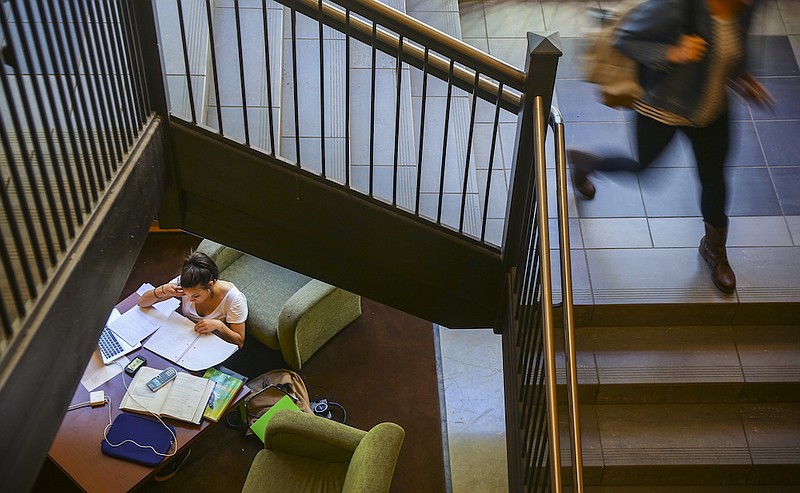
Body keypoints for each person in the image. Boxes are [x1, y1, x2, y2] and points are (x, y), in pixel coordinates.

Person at [569, 0, 772, 294]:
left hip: (711, 111)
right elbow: (625, 39)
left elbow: (735, 49)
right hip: (665, 107)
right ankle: (587, 163)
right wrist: (671, 52)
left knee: (714, 179)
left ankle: (714, 250)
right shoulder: (680, 4)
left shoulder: (746, 6)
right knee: (644, 169)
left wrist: (743, 77)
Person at [138, 251, 247, 348]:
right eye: (185, 294)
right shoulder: (182, 283)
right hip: (184, 336)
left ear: (211, 285)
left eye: (196, 296)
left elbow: (239, 342)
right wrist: (162, 290)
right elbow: (142, 302)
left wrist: (219, 325)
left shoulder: (233, 299)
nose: (189, 300)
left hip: (210, 343)